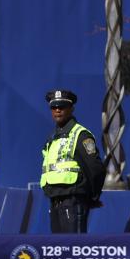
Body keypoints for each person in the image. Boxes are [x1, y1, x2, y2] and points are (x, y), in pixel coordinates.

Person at [40, 89, 104, 233]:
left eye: (62, 106)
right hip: (55, 201)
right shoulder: (52, 138)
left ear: (71, 108)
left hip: (73, 201)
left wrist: (92, 198)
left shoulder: (81, 135)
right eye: (54, 107)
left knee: (74, 249)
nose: (57, 110)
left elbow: (95, 168)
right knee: (59, 251)